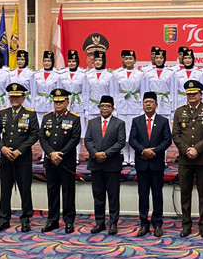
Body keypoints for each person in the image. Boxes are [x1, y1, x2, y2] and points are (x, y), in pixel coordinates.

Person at [171, 80, 203, 239]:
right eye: (189, 94)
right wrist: (186, 150)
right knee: (185, 193)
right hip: (185, 160)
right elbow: (175, 135)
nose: (191, 96)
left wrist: (196, 149)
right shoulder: (179, 112)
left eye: (194, 94)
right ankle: (186, 225)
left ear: (200, 95)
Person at [0, 83, 40, 232]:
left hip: (22, 158)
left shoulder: (30, 114)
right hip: (6, 157)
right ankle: (4, 219)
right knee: (5, 190)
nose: (14, 100)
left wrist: (20, 151)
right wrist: (2, 148)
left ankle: (25, 219)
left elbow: (34, 135)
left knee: (25, 190)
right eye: (12, 97)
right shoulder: (3, 114)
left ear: (23, 98)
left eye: (17, 97)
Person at [129, 92, 172, 237]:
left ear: (156, 104)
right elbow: (132, 139)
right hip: (142, 163)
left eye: (151, 102)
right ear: (142, 104)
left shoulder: (163, 121)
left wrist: (155, 151)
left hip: (156, 163)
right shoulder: (136, 121)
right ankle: (143, 224)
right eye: (145, 102)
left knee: (157, 194)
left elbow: (167, 140)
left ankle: (158, 224)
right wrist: (143, 151)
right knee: (143, 195)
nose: (148, 104)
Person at [39, 88, 82, 234]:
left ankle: (69, 221)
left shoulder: (74, 118)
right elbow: (42, 138)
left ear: (67, 102)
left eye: (61, 101)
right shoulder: (47, 118)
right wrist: (51, 153)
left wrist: (60, 154)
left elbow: (75, 138)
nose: (58, 104)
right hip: (50, 160)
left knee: (68, 192)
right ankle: (52, 220)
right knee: (52, 191)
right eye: (55, 101)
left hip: (66, 161)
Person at [85, 95, 126, 235]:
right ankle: (99, 222)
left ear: (113, 108)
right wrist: (95, 153)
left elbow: (120, 142)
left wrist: (106, 154)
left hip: (112, 164)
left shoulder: (119, 123)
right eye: (102, 106)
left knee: (113, 196)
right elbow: (88, 141)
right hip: (96, 164)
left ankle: (113, 223)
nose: (104, 108)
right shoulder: (92, 122)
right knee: (98, 195)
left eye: (107, 106)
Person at [114, 49, 145, 167]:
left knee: (133, 132)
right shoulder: (117, 74)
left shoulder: (140, 74)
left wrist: (142, 107)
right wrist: (115, 107)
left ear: (135, 60)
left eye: (130, 59)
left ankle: (132, 157)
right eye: (126, 58)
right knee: (123, 133)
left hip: (135, 105)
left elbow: (143, 91)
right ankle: (125, 157)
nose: (128, 61)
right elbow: (114, 91)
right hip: (122, 105)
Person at [58, 50, 89, 164]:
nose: (71, 63)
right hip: (66, 105)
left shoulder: (82, 74)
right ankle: (65, 153)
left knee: (78, 132)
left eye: (73, 61)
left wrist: (86, 109)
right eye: (70, 61)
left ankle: (76, 155)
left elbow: (85, 92)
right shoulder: (62, 75)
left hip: (78, 105)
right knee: (65, 130)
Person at [143, 49, 175, 122]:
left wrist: (173, 107)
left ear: (164, 59)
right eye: (157, 58)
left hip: (166, 102)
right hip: (153, 101)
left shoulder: (170, 73)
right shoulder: (149, 73)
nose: (159, 60)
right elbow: (147, 91)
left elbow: (173, 90)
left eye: (161, 58)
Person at [85, 51, 118, 120]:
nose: (97, 62)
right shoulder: (88, 74)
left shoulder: (110, 75)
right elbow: (86, 93)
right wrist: (86, 109)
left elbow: (112, 93)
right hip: (92, 108)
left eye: (100, 60)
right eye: (96, 60)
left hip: (105, 109)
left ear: (103, 61)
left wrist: (113, 108)